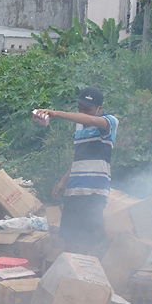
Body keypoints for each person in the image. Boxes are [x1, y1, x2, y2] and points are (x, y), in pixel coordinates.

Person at [36, 86, 119, 257]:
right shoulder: (80, 129)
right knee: (70, 237)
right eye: (80, 109)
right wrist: (63, 182)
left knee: (91, 238)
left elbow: (92, 121)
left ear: (99, 109)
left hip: (94, 190)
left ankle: (94, 276)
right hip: (74, 190)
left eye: (87, 110)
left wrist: (56, 113)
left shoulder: (109, 122)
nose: (83, 114)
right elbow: (78, 160)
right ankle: (73, 275)